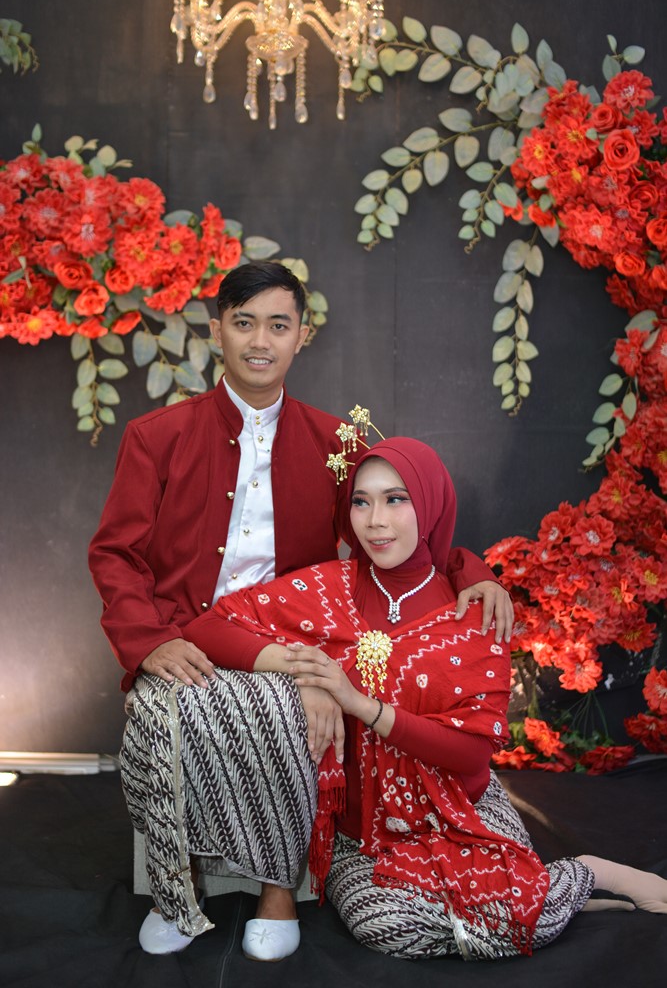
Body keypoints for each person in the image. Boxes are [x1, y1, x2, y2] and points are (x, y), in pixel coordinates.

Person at [88, 262, 513, 956]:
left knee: (295, 706)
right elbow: (115, 554)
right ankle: (178, 882)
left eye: (278, 325)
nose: (260, 341)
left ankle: (277, 888)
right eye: (244, 323)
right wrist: (148, 641)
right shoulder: (157, 435)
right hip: (184, 640)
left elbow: (390, 532)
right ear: (216, 330)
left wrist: (473, 571)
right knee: (162, 715)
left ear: (302, 336)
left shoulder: (334, 444)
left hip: (293, 641)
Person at [184, 436, 667, 960]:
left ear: (431, 503)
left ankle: (588, 874)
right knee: (386, 928)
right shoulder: (328, 590)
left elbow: (472, 754)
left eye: (396, 499)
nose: (376, 521)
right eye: (362, 502)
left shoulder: (474, 610)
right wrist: (306, 670)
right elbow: (209, 627)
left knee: (504, 913)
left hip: (463, 810)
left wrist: (360, 704)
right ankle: (540, 902)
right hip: (364, 834)